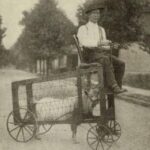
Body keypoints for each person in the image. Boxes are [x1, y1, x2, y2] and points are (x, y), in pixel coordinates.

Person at [77, 3, 126, 93]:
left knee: (121, 63)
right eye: (94, 13)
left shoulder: (101, 29)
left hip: (101, 54)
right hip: (89, 55)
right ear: (88, 15)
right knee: (105, 59)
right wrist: (100, 43)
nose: (96, 15)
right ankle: (113, 86)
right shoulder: (83, 28)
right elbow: (85, 43)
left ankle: (117, 86)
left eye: (98, 13)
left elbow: (104, 46)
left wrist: (110, 45)